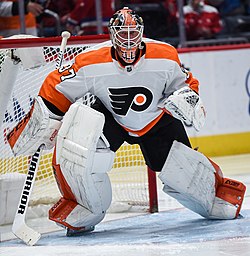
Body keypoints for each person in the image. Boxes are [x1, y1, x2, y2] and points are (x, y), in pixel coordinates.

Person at [7, 7, 246, 236]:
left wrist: (187, 99)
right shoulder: (91, 61)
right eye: (123, 34)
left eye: (133, 34)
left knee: (185, 176)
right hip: (112, 119)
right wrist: (43, 119)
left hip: (157, 121)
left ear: (142, 34)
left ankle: (214, 193)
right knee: (76, 145)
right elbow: (56, 85)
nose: (128, 40)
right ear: (112, 36)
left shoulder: (164, 55)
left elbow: (187, 85)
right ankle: (84, 206)